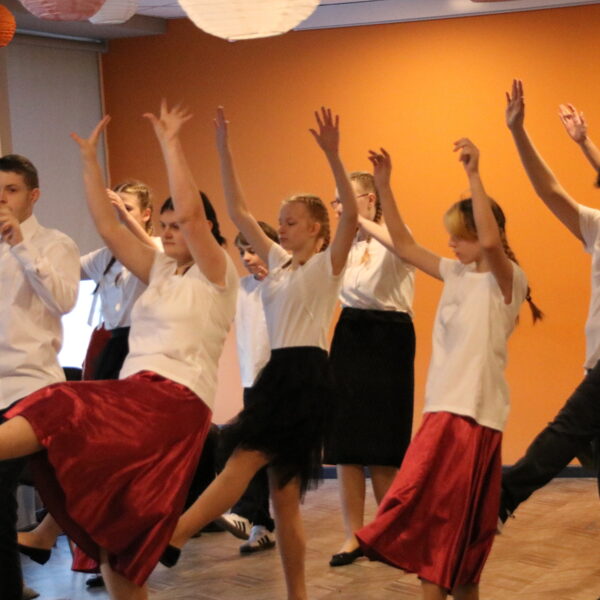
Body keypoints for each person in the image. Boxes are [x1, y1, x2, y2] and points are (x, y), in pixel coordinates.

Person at [0, 101, 238, 600]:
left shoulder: (217, 274)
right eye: (164, 226)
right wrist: (89, 162)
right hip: (138, 398)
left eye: (176, 226)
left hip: (174, 401)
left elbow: (193, 216)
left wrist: (170, 142)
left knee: (56, 402)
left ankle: (43, 532)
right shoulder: (160, 269)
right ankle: (64, 538)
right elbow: (109, 229)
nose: (169, 233)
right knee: (116, 545)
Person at [161, 106, 358, 600]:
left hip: (305, 378)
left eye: (292, 222)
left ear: (317, 229)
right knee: (284, 503)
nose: (282, 228)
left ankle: (174, 535)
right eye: (282, 222)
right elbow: (238, 212)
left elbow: (352, 217)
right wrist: (223, 149)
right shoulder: (279, 263)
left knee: (241, 461)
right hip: (279, 376)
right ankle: (298, 595)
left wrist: (334, 156)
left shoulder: (326, 268)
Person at [356, 139, 541, 600]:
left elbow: (492, 242)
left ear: (482, 232)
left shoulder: (508, 280)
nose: (450, 243)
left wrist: (474, 174)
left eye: (459, 235)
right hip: (443, 414)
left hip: (471, 419)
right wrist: (384, 186)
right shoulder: (455, 273)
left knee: (451, 539)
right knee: (447, 540)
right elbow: (403, 244)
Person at [16, 180, 163, 589]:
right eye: (115, 207)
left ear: (146, 213)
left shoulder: (154, 247)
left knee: (116, 461)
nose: (118, 214)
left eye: (128, 207)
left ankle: (66, 537)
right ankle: (81, 543)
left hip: (138, 350)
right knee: (95, 458)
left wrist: (126, 224)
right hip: (106, 348)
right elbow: (64, 271)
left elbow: (157, 261)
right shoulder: (104, 257)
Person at [499, 81, 600, 524]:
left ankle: (503, 496)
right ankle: (503, 496)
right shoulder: (597, 226)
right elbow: (549, 191)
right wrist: (518, 132)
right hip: (595, 363)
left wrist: (585, 145)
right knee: (575, 435)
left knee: (566, 430)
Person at [324, 170, 415, 567]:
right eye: (336, 201)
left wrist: (357, 218)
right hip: (349, 333)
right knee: (345, 445)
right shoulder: (345, 244)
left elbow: (403, 246)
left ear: (370, 200)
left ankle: (390, 534)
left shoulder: (395, 233)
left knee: (382, 445)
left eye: (344, 199)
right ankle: (353, 536)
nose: (338, 208)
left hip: (388, 335)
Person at [0, 153, 80, 600]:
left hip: (33, 387)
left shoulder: (55, 243)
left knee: (75, 490)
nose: (2, 200)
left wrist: (21, 246)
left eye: (11, 190)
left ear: (33, 196)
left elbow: (64, 300)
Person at [218, 222, 281, 554]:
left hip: (280, 379)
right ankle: (261, 524)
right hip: (251, 380)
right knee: (253, 447)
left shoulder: (284, 283)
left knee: (250, 444)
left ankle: (246, 513)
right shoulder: (240, 289)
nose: (245, 258)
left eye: (252, 250)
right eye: (241, 251)